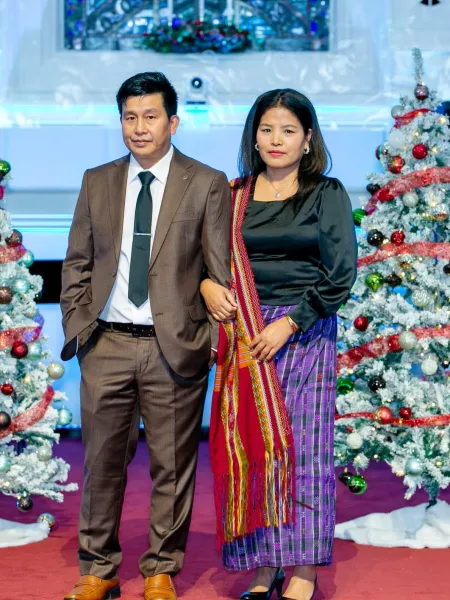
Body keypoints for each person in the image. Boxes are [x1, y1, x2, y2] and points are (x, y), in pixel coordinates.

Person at [60, 72, 231, 600]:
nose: (139, 127)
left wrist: (207, 342)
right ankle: (98, 569)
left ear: (173, 122)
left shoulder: (206, 182)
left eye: (150, 116)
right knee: (101, 465)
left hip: (174, 347)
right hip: (106, 343)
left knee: (172, 467)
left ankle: (161, 569)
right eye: (129, 117)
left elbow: (219, 269)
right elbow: (77, 262)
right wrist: (80, 329)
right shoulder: (98, 180)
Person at [202, 89, 357, 600]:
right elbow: (204, 259)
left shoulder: (326, 192)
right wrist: (206, 286)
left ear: (307, 138)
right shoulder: (234, 195)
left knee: (303, 452)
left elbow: (341, 274)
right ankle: (263, 565)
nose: (276, 139)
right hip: (244, 333)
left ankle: (304, 569)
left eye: (288, 130)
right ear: (254, 136)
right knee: (252, 449)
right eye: (267, 129)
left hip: (303, 333)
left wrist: (289, 324)